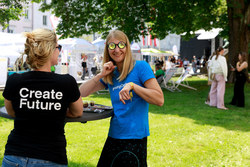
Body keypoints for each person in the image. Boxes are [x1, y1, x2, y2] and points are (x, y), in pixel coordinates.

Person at [79, 30, 164, 166]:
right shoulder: (111, 73)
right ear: (107, 49)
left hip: (135, 138)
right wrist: (101, 75)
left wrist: (133, 86)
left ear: (127, 47)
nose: (117, 50)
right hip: (114, 135)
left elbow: (159, 99)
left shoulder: (141, 67)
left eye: (121, 45)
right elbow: (82, 92)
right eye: (112, 46)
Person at [2, 28, 83, 167]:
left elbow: (12, 111)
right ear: (50, 50)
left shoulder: (14, 80)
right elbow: (77, 112)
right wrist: (55, 110)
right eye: (58, 47)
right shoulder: (66, 82)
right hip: (51, 157)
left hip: (14, 156)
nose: (59, 51)